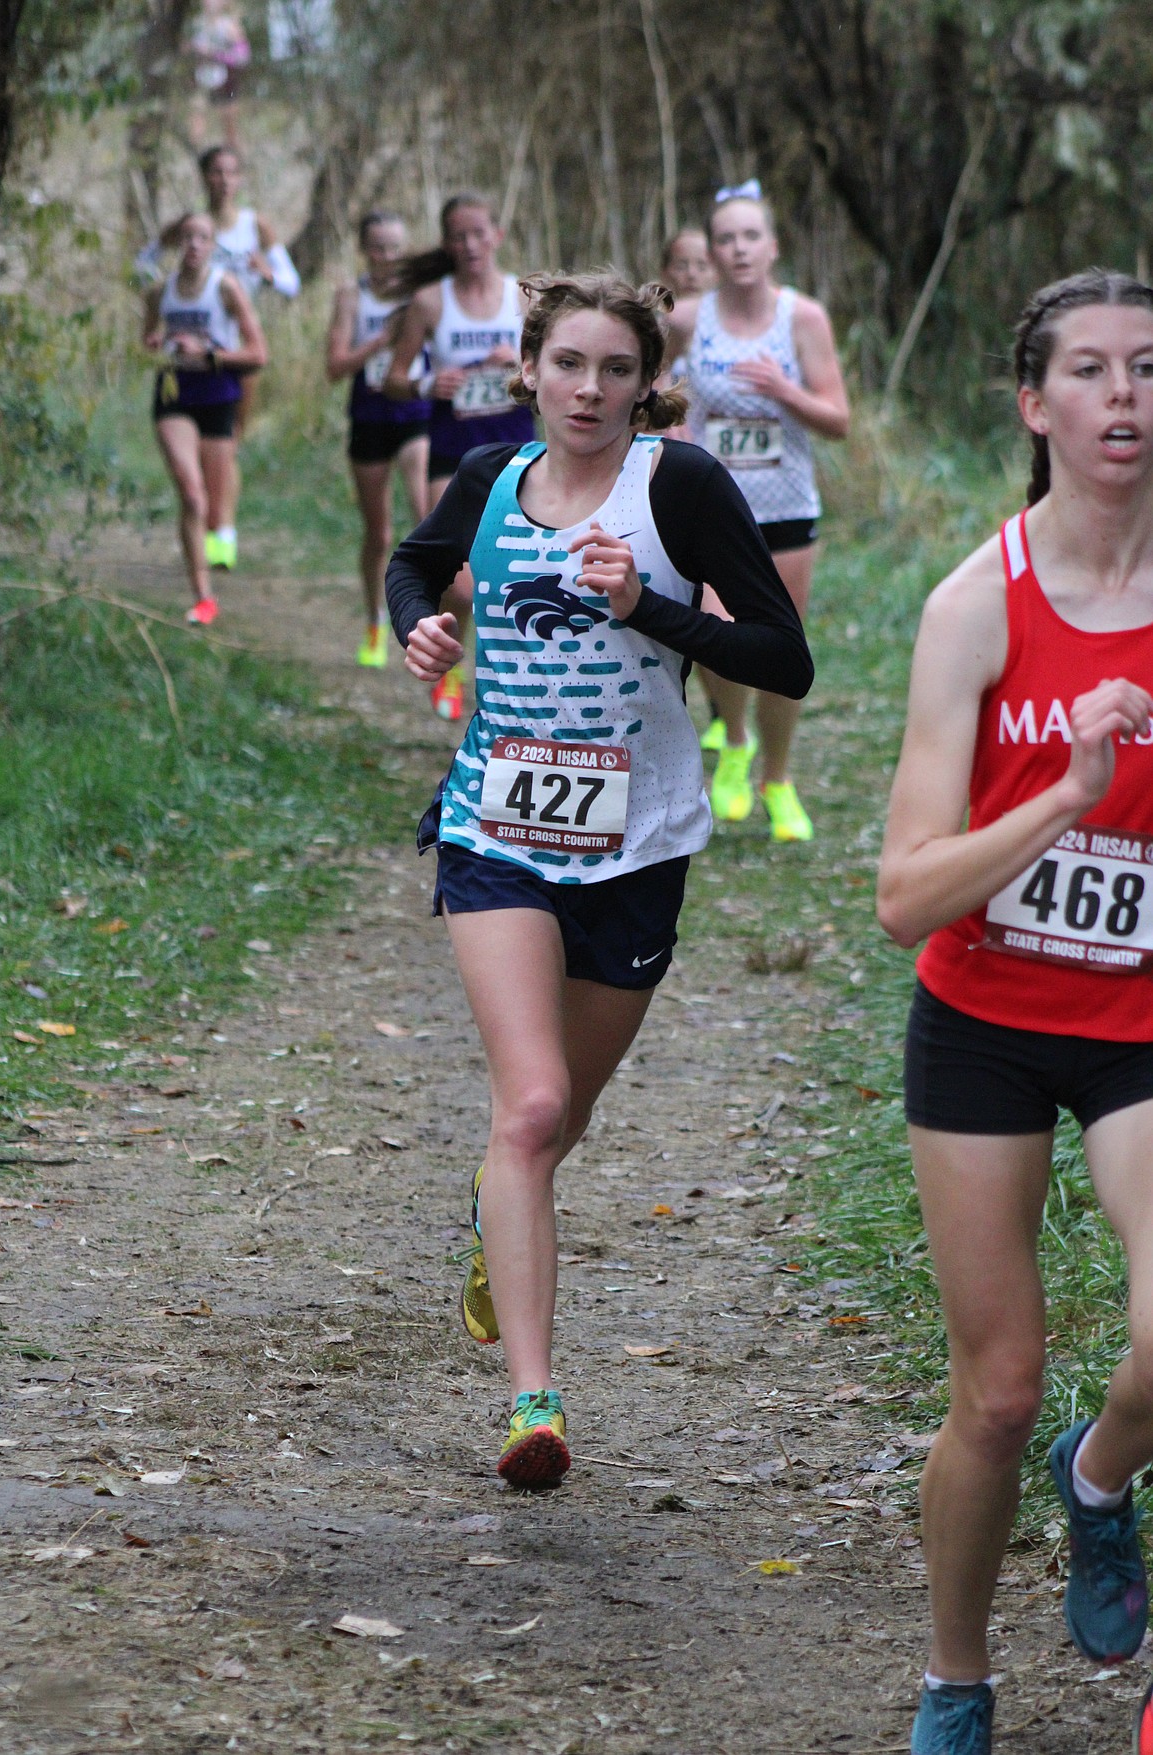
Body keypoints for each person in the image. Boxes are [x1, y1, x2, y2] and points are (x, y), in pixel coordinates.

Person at [385, 271, 813, 1489]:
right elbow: (416, 569)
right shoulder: (489, 484)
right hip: (494, 831)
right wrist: (424, 623)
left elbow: (786, 661)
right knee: (527, 1108)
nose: (589, 390)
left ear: (646, 382)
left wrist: (649, 610)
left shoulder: (679, 486)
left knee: (561, 1116)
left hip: (638, 847)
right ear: (527, 368)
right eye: (568, 365)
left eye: (616, 370)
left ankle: (494, 1212)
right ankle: (536, 1403)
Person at [877, 269, 1153, 1755]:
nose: (1125, 395)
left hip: (1144, 1023)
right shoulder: (972, 605)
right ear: (1033, 403)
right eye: (1092, 370)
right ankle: (954, 1671)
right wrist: (1064, 796)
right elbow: (904, 895)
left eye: (1149, 367)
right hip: (981, 1014)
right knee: (990, 1393)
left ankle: (1102, 1476)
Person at [669, 179, 848, 832]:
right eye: (726, 238)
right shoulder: (689, 319)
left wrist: (785, 391)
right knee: (717, 636)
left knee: (781, 649)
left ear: (772, 247)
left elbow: (838, 419)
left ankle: (778, 777)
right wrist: (669, 424)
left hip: (786, 509)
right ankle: (735, 739)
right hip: (714, 506)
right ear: (710, 251)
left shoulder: (802, 318)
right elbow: (652, 385)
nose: (739, 249)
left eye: (751, 236)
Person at [384, 193, 534, 723]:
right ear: (447, 242)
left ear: (496, 234)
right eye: (458, 235)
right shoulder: (430, 301)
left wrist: (518, 363)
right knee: (460, 584)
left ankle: (515, 688)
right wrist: (429, 382)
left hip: (519, 454)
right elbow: (393, 380)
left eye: (479, 233)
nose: (470, 244)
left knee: (516, 576)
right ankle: (449, 663)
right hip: (452, 453)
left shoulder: (524, 298)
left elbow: (557, 368)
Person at [136, 146, 300, 572]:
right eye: (215, 172)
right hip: (189, 350)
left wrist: (268, 275)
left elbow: (290, 283)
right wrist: (158, 303)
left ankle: (221, 527)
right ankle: (217, 531)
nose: (224, 180)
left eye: (231, 172)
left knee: (231, 440)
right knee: (216, 447)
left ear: (240, 179)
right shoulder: (191, 226)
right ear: (204, 177)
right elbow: (143, 264)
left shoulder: (254, 225)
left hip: (240, 347)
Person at [142, 213, 266, 624]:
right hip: (174, 392)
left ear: (213, 245)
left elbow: (257, 353)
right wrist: (156, 341)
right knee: (191, 495)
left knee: (214, 501)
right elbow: (147, 340)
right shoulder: (161, 291)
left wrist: (210, 355)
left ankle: (222, 537)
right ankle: (202, 597)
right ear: (178, 242)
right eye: (188, 237)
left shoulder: (225, 287)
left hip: (217, 394)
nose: (194, 244)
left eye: (203, 238)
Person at [326, 211, 431, 668]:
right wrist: (382, 342)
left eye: (395, 247)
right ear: (364, 251)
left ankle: (429, 624)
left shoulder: (424, 295)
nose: (388, 256)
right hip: (368, 417)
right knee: (379, 532)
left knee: (425, 516)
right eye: (378, 247)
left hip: (414, 414)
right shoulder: (352, 296)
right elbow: (334, 367)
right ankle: (374, 621)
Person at [188, 0, 250, 152]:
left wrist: (215, 55)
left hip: (225, 80)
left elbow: (243, 56)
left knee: (229, 121)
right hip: (200, 79)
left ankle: (233, 156)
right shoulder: (195, 24)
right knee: (197, 115)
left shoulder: (230, 26)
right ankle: (195, 153)